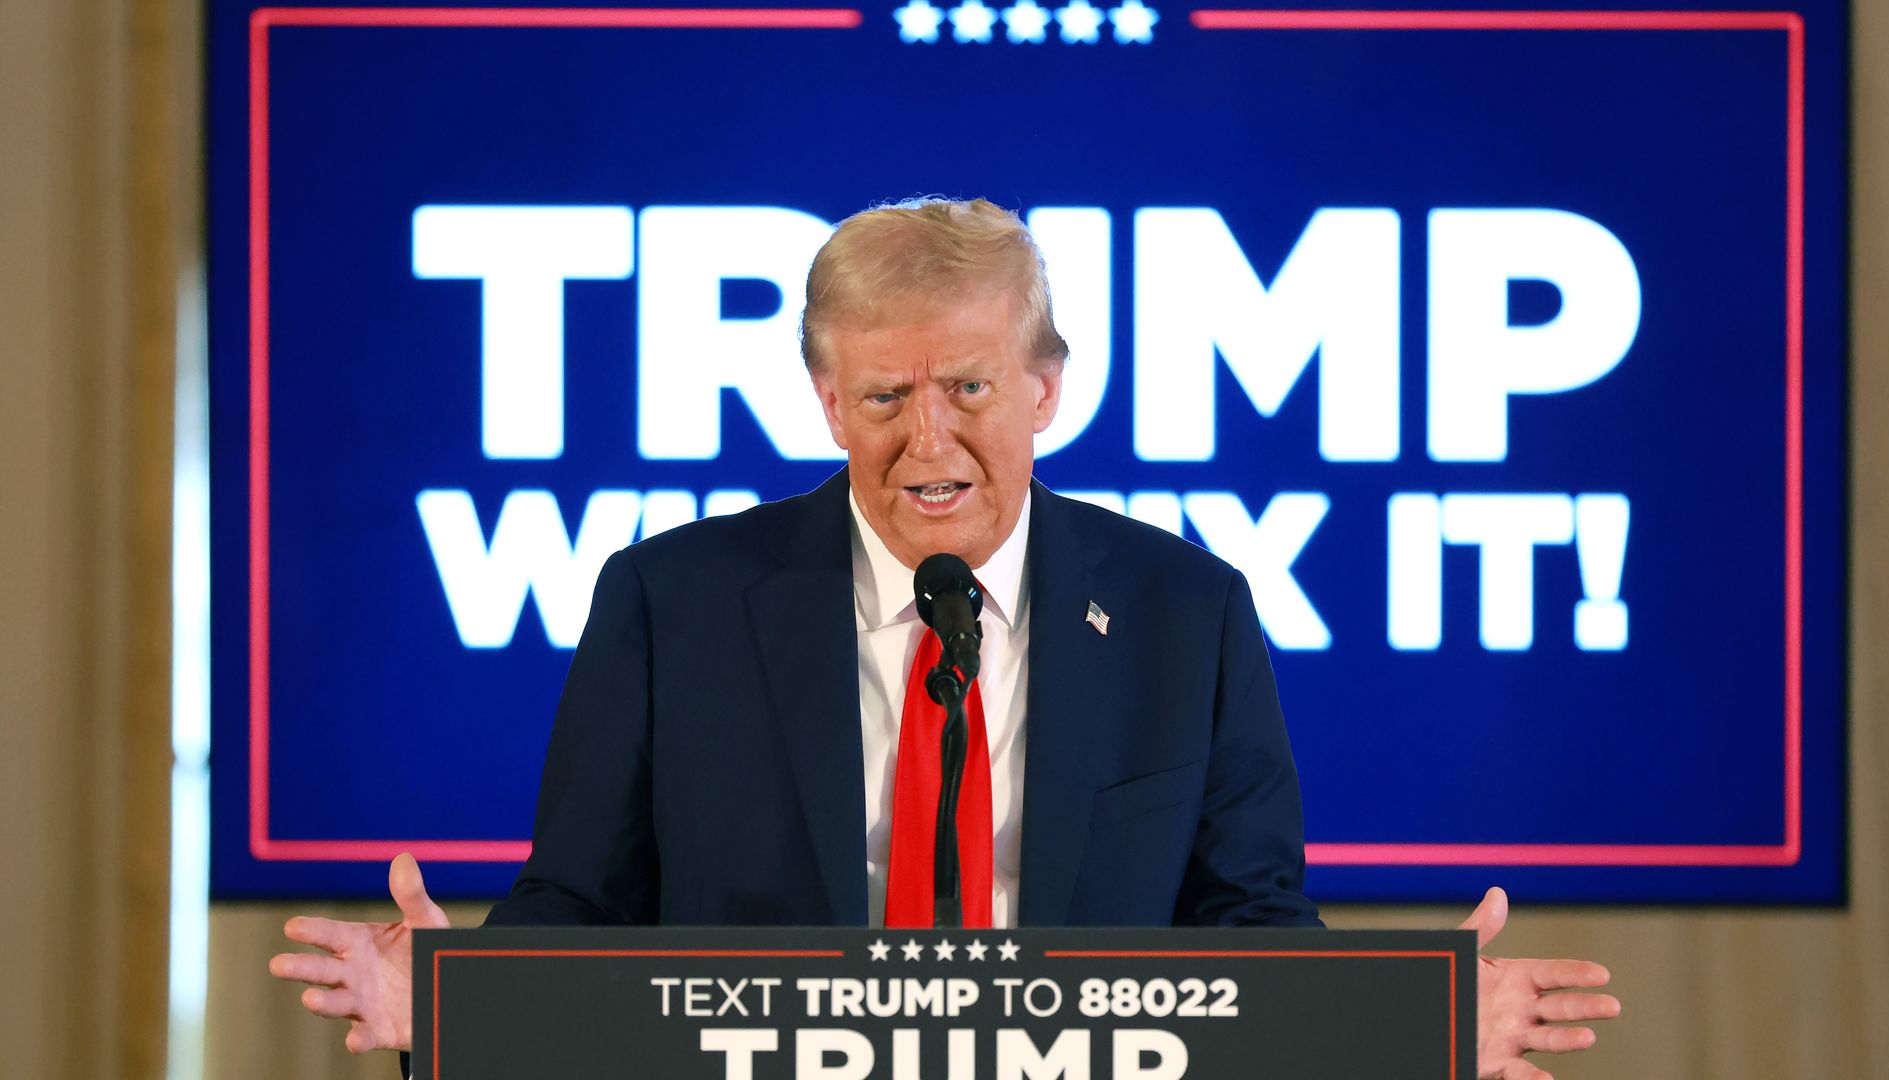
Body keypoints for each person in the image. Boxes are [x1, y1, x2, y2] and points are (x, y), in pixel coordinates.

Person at [270, 197, 1619, 1079]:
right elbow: (580, 915)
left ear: (1046, 388)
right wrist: (446, 1004)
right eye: (882, 393)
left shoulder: (1185, 613)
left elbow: (1246, 939)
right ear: (823, 395)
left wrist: (1416, 1024)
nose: (928, 439)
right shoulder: (667, 603)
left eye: (971, 387)